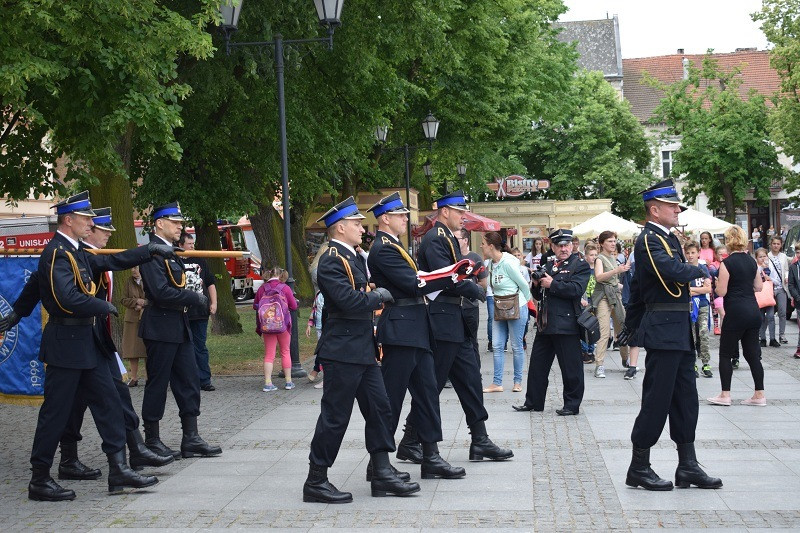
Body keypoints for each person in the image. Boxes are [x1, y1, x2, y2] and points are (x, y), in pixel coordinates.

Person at [0, 194, 177, 501]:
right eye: (86, 218)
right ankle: (39, 479)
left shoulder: (75, 250)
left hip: (86, 344)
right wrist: (101, 306)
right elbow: (65, 297)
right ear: (68, 220)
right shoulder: (57, 253)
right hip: (66, 346)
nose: (91, 223)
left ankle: (118, 469)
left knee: (110, 404)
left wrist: (147, 251)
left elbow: (109, 261)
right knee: (55, 414)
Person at [303, 197, 419, 503]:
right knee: (335, 417)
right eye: (356, 224)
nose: (362, 228)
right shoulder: (331, 260)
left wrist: (373, 294)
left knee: (380, 409)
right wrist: (378, 296)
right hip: (342, 351)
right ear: (340, 228)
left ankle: (381, 472)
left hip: (362, 349)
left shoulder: (352, 256)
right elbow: (347, 301)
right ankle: (316, 480)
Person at [619, 179, 721, 491]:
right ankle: (639, 467)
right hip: (664, 330)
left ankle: (687, 465)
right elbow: (670, 271)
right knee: (656, 400)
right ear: (654, 210)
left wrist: (631, 325)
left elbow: (639, 288)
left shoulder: (667, 238)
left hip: (677, 329)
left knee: (685, 400)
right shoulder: (649, 240)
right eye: (672, 206)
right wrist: (701, 268)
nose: (678, 210)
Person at [398, 190, 512, 464]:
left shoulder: (446, 237)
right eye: (459, 212)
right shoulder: (435, 238)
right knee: (432, 385)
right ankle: (410, 440)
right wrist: (476, 290)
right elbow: (447, 278)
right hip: (441, 318)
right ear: (445, 211)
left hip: (454, 318)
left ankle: (480, 439)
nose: (463, 216)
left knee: (470, 379)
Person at [366, 192, 466, 481]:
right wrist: (451, 275)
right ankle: (379, 464)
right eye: (400, 215)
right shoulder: (383, 248)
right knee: (391, 399)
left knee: (427, 396)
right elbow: (413, 283)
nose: (405, 218)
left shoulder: (395, 245)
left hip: (415, 327)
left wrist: (450, 275)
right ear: (386, 218)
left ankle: (431, 456)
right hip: (401, 329)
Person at [139, 202, 222, 461]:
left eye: (180, 223)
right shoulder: (152, 253)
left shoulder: (171, 252)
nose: (179, 227)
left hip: (179, 324)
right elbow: (160, 291)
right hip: (160, 326)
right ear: (159, 223)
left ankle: (191, 437)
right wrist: (193, 297)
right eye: (175, 223)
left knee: (189, 381)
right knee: (157, 384)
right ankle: (152, 439)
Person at [512, 229, 590, 416]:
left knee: (571, 368)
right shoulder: (549, 264)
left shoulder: (579, 265)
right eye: (559, 246)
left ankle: (572, 405)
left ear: (571, 246)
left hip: (567, 324)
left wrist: (552, 284)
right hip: (546, 323)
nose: (564, 249)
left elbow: (576, 289)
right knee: (537, 366)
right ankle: (533, 402)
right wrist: (536, 284)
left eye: (566, 245)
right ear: (553, 247)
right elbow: (539, 295)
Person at [707, 225, 767, 407]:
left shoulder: (727, 263)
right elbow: (759, 287)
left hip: (735, 312)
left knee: (725, 353)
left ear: (729, 241)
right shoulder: (751, 261)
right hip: (753, 311)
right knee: (752, 354)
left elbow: (722, 292)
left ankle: (725, 394)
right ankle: (759, 394)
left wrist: (717, 283)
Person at [482, 234, 532, 393]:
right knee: (497, 345)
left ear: (491, 246)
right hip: (499, 306)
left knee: (516, 346)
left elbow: (524, 285)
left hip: (516, 306)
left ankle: (517, 382)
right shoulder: (491, 263)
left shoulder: (508, 263)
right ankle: (497, 383)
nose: (481, 246)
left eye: (483, 243)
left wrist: (524, 303)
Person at [177, 232, 218, 391]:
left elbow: (210, 283)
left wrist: (213, 303)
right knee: (182, 347)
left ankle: (204, 380)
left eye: (193, 244)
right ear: (180, 245)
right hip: (180, 312)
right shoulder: (174, 261)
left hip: (200, 311)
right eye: (189, 244)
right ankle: (185, 380)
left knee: (200, 346)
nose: (192, 247)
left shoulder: (200, 260)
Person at [592, 231, 631, 378]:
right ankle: (599, 364)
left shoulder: (613, 257)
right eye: (610, 241)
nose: (613, 244)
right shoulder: (600, 259)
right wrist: (617, 270)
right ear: (602, 243)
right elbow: (599, 277)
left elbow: (613, 281)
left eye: (614, 241)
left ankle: (626, 359)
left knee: (622, 327)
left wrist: (624, 287)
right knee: (604, 331)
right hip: (603, 296)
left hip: (615, 295)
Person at [254, 266, 298, 391]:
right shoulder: (285, 288)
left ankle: (268, 383)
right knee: (285, 351)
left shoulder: (262, 288)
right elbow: (293, 306)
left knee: (269, 354)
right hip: (283, 325)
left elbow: (255, 305)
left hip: (267, 325)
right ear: (281, 275)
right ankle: (288, 382)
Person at [458, 228, 489, 366]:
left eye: (457, 238)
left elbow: (483, 284)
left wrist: (468, 287)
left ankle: (476, 370)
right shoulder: (450, 257)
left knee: (472, 340)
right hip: (454, 306)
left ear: (465, 240)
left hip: (470, 307)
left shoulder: (475, 258)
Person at [685, 241, 713, 378]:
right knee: (691, 335)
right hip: (689, 306)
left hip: (702, 305)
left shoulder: (703, 269)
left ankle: (706, 362)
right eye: (688, 253)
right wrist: (697, 290)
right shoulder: (684, 268)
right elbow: (684, 291)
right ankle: (693, 362)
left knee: (703, 333)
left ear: (698, 253)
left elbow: (708, 289)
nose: (690, 255)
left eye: (693, 252)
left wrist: (693, 290)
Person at [121, 265, 148, 387]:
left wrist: (144, 303)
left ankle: (149, 377)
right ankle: (134, 377)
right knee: (132, 349)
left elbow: (155, 297)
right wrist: (135, 302)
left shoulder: (149, 279)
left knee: (147, 349)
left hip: (147, 318)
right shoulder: (128, 282)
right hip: (132, 319)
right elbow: (123, 299)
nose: (133, 270)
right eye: (131, 268)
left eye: (135, 268)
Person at [767, 236, 790, 344]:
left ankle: (782, 334)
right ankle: (771, 337)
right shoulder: (767, 256)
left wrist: (786, 277)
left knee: (782, 312)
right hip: (770, 288)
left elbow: (786, 269)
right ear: (771, 244)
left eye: (778, 244)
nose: (776, 246)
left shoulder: (783, 256)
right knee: (770, 314)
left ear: (781, 245)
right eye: (774, 243)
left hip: (781, 287)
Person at [755, 248, 779, 348]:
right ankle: (763, 338)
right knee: (760, 317)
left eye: (764, 256)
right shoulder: (755, 267)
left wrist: (770, 279)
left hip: (769, 296)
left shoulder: (770, 267)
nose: (762, 258)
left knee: (771, 316)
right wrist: (761, 268)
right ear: (756, 258)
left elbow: (777, 281)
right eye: (760, 257)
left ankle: (773, 338)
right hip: (759, 296)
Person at [581, 243, 599, 364]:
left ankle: (591, 350)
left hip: (596, 300)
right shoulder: (583, 269)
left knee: (594, 326)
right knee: (585, 326)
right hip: (585, 300)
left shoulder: (598, 269)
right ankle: (584, 351)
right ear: (586, 256)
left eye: (595, 255)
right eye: (591, 255)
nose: (594, 257)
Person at [306, 290, 325, 389]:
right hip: (319, 327)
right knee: (322, 352)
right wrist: (310, 324)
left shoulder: (331, 291)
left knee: (325, 353)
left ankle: (326, 378)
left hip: (328, 327)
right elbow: (314, 309)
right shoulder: (319, 293)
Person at [788, 247, 800, 358]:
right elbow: (791, 285)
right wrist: (797, 297)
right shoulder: (793, 267)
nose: (799, 254)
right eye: (797, 252)